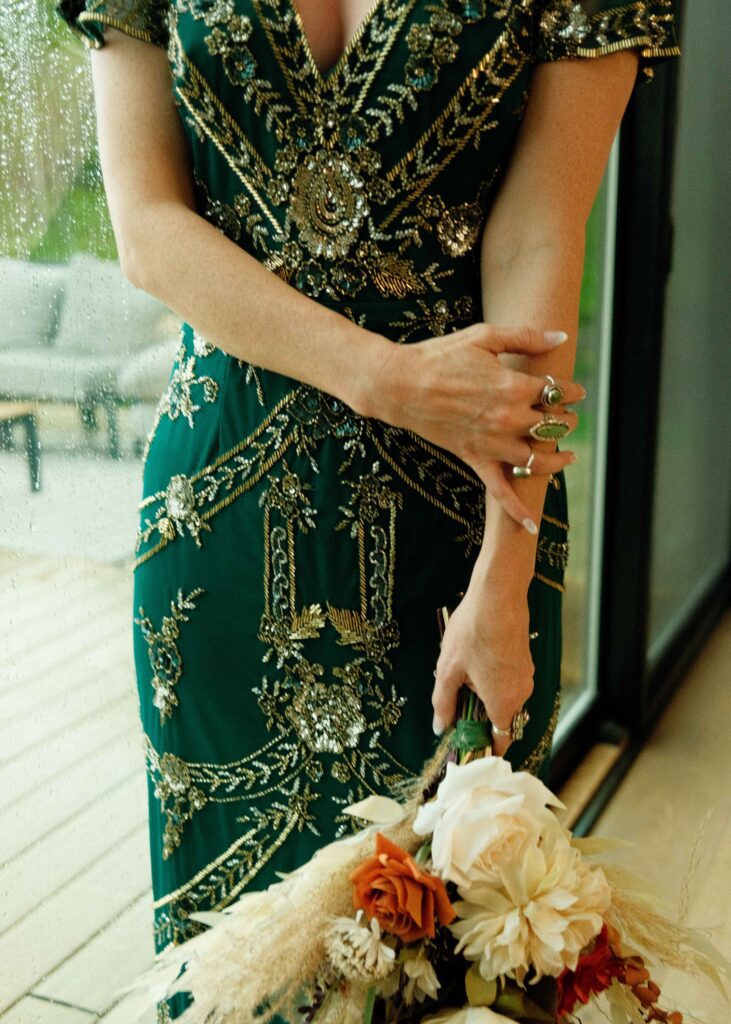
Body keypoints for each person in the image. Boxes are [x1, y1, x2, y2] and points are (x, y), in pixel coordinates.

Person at [55, 0, 681, 1019]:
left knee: (456, 945)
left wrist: (504, 576)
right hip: (217, 520)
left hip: (464, 523)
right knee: (226, 958)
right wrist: (384, 377)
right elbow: (148, 231)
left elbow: (538, 238)